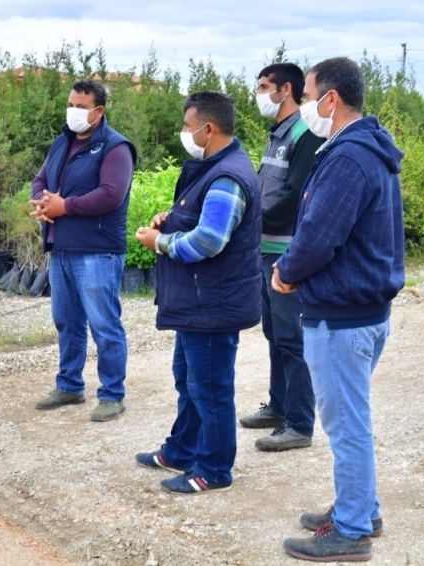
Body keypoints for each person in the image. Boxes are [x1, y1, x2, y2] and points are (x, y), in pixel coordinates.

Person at [275, 57, 404, 562]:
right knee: (353, 418)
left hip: (341, 316)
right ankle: (361, 507)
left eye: (307, 95)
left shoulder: (348, 158)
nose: (305, 106)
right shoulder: (367, 149)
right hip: (364, 310)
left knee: (347, 424)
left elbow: (318, 237)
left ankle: (351, 530)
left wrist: (285, 272)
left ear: (330, 98)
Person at [133, 91, 261, 493]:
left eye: (188, 126)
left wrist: (160, 242)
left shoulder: (227, 176)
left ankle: (214, 470)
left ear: (208, 128)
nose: (184, 133)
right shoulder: (212, 168)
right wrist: (172, 219)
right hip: (199, 302)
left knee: (209, 387)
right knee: (188, 379)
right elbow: (201, 218)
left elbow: (209, 241)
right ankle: (181, 449)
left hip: (213, 304)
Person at [29, 80, 136, 422]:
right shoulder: (62, 142)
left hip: (97, 250)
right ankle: (70, 385)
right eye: (71, 104)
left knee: (104, 324)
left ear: (98, 111)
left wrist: (65, 206)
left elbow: (111, 194)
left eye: (80, 105)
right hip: (61, 248)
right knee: (67, 321)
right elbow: (41, 179)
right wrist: (44, 202)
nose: (73, 110)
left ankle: (112, 394)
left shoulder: (115, 147)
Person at [239, 63, 325, 451]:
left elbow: (295, 197)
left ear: (285, 89)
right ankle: (278, 405)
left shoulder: (305, 134)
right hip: (265, 247)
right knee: (275, 334)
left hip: (285, 252)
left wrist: (249, 220)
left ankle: (300, 423)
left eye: (263, 87)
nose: (259, 94)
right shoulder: (279, 134)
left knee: (292, 339)